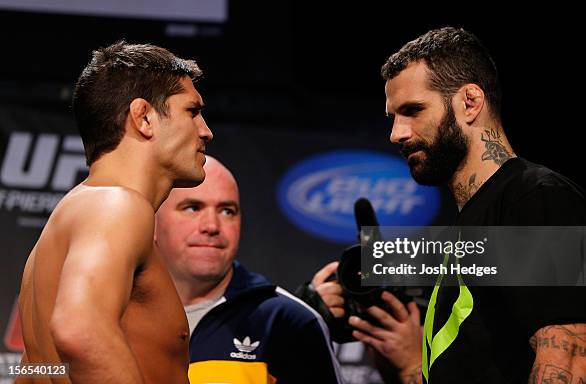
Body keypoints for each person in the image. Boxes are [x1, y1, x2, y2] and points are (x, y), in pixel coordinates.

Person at [380, 26, 586, 383]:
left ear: (470, 102)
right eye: (393, 117)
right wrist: (413, 365)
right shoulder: (470, 223)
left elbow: (570, 364)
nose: (397, 133)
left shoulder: (540, 198)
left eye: (413, 110)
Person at [17, 41, 212, 383]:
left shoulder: (67, 223)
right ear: (144, 117)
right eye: (192, 112)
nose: (206, 131)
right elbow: (79, 329)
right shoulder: (116, 205)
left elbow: (33, 370)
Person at [154, 155, 345, 384]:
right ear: (153, 222)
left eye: (227, 211)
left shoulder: (287, 321)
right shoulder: (115, 312)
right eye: (193, 208)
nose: (212, 226)